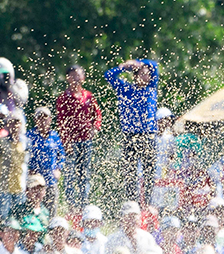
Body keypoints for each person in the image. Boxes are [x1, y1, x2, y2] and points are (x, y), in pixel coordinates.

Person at [105, 58, 160, 202]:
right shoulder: (125, 89)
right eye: (142, 74)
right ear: (135, 76)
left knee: (149, 172)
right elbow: (108, 75)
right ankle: (132, 202)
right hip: (130, 136)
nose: (146, 77)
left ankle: (148, 202)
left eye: (148, 74)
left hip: (148, 135)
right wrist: (124, 67)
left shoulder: (151, 89)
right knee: (129, 172)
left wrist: (140, 62)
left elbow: (155, 66)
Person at [54, 66, 102, 209]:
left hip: (86, 140)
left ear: (83, 78)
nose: (76, 78)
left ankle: (83, 204)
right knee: (70, 174)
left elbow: (97, 114)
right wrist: (65, 141)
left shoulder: (88, 96)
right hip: (71, 142)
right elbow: (61, 121)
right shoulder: (63, 98)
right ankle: (71, 204)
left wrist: (95, 127)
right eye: (73, 75)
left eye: (79, 75)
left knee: (84, 173)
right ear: (68, 78)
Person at [26, 107, 65, 203]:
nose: (43, 120)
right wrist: (28, 168)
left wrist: (59, 169)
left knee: (51, 210)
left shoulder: (54, 136)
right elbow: (24, 155)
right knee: (35, 210)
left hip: (50, 179)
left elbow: (61, 154)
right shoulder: (29, 136)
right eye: (40, 118)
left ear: (50, 119)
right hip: (35, 181)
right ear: (35, 120)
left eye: (45, 117)